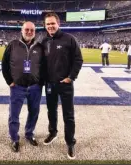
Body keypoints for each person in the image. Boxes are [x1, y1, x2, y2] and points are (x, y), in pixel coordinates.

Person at [41, 12, 83, 159]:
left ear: (58, 24)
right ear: (45, 26)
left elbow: (78, 60)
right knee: (51, 111)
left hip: (65, 84)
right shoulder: (44, 40)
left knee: (68, 115)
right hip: (50, 84)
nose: (50, 26)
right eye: (48, 24)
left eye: (53, 23)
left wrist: (71, 77)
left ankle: (70, 142)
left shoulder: (69, 39)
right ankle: (53, 133)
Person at [2, 21, 45, 152]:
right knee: (14, 114)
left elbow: (44, 66)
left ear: (35, 32)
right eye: (26, 29)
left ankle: (29, 134)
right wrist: (9, 81)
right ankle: (14, 138)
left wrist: (40, 82)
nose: (29, 32)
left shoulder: (39, 47)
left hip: (35, 87)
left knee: (34, 113)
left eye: (32, 30)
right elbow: (4, 64)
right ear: (22, 30)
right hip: (17, 87)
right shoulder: (13, 45)